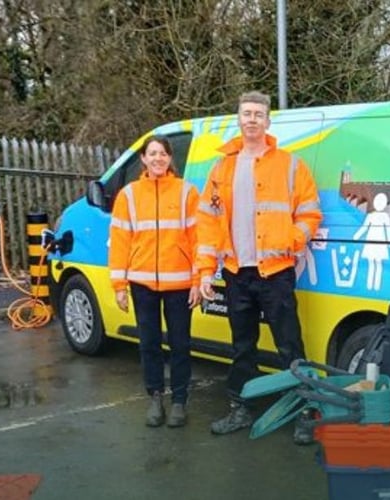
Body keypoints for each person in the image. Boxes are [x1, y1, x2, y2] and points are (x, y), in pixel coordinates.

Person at [196, 91, 322, 444]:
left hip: (276, 272)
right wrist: (206, 271)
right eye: (246, 113)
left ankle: (304, 411)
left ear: (268, 122)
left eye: (258, 114)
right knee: (242, 346)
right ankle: (240, 407)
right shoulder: (222, 168)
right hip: (237, 272)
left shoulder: (290, 164)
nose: (251, 119)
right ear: (239, 119)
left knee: (289, 345)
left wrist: (292, 239)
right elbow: (208, 222)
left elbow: (311, 213)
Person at [108, 135, 201, 428]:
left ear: (170, 158)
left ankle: (179, 401)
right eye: (152, 153)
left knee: (180, 344)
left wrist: (198, 280)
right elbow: (120, 241)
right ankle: (155, 397)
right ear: (144, 160)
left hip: (180, 283)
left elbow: (199, 241)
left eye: (163, 153)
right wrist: (119, 285)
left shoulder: (187, 192)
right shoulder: (129, 195)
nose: (158, 158)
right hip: (142, 283)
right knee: (148, 344)